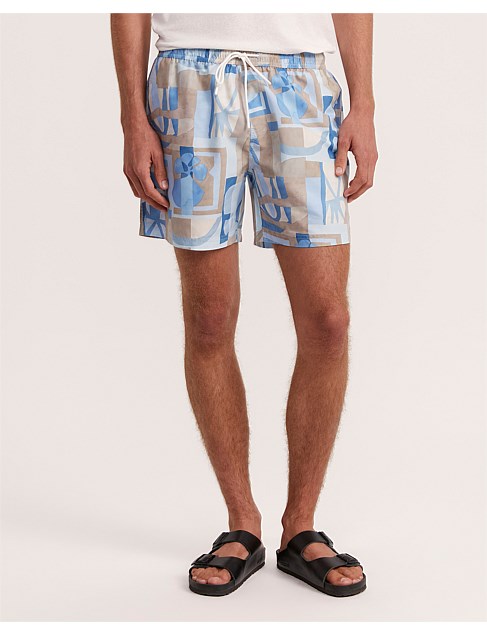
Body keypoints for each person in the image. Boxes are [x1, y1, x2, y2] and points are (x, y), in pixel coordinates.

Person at [111, 12, 378, 597]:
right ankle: (241, 523)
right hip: (191, 80)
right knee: (209, 319)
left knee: (328, 322)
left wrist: (364, 103)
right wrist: (133, 115)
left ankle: (300, 525)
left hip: (301, 82)